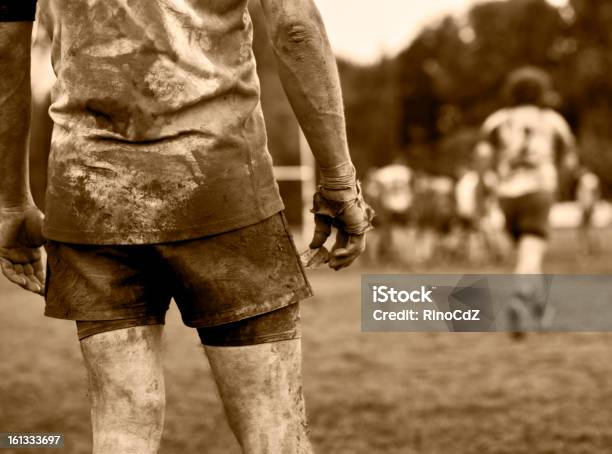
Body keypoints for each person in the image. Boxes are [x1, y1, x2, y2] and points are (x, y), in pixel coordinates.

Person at [0, 1, 373, 453]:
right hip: (223, 182)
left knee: (123, 424)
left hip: (91, 191)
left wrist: (10, 201)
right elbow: (294, 27)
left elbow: (6, 44)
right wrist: (338, 181)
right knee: (273, 428)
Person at [475, 67, 576, 336]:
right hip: (538, 191)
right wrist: (558, 185)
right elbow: (569, 161)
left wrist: (488, 188)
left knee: (528, 255)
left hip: (507, 195)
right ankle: (519, 301)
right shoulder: (552, 120)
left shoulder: (496, 120)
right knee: (530, 255)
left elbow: (483, 160)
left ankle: (541, 313)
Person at [575, 168, 601, 255]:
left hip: (587, 206)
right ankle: (592, 247)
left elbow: (590, 193)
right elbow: (596, 193)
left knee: (585, 228)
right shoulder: (592, 178)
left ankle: (586, 248)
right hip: (589, 206)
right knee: (588, 227)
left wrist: (588, 205)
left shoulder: (586, 178)